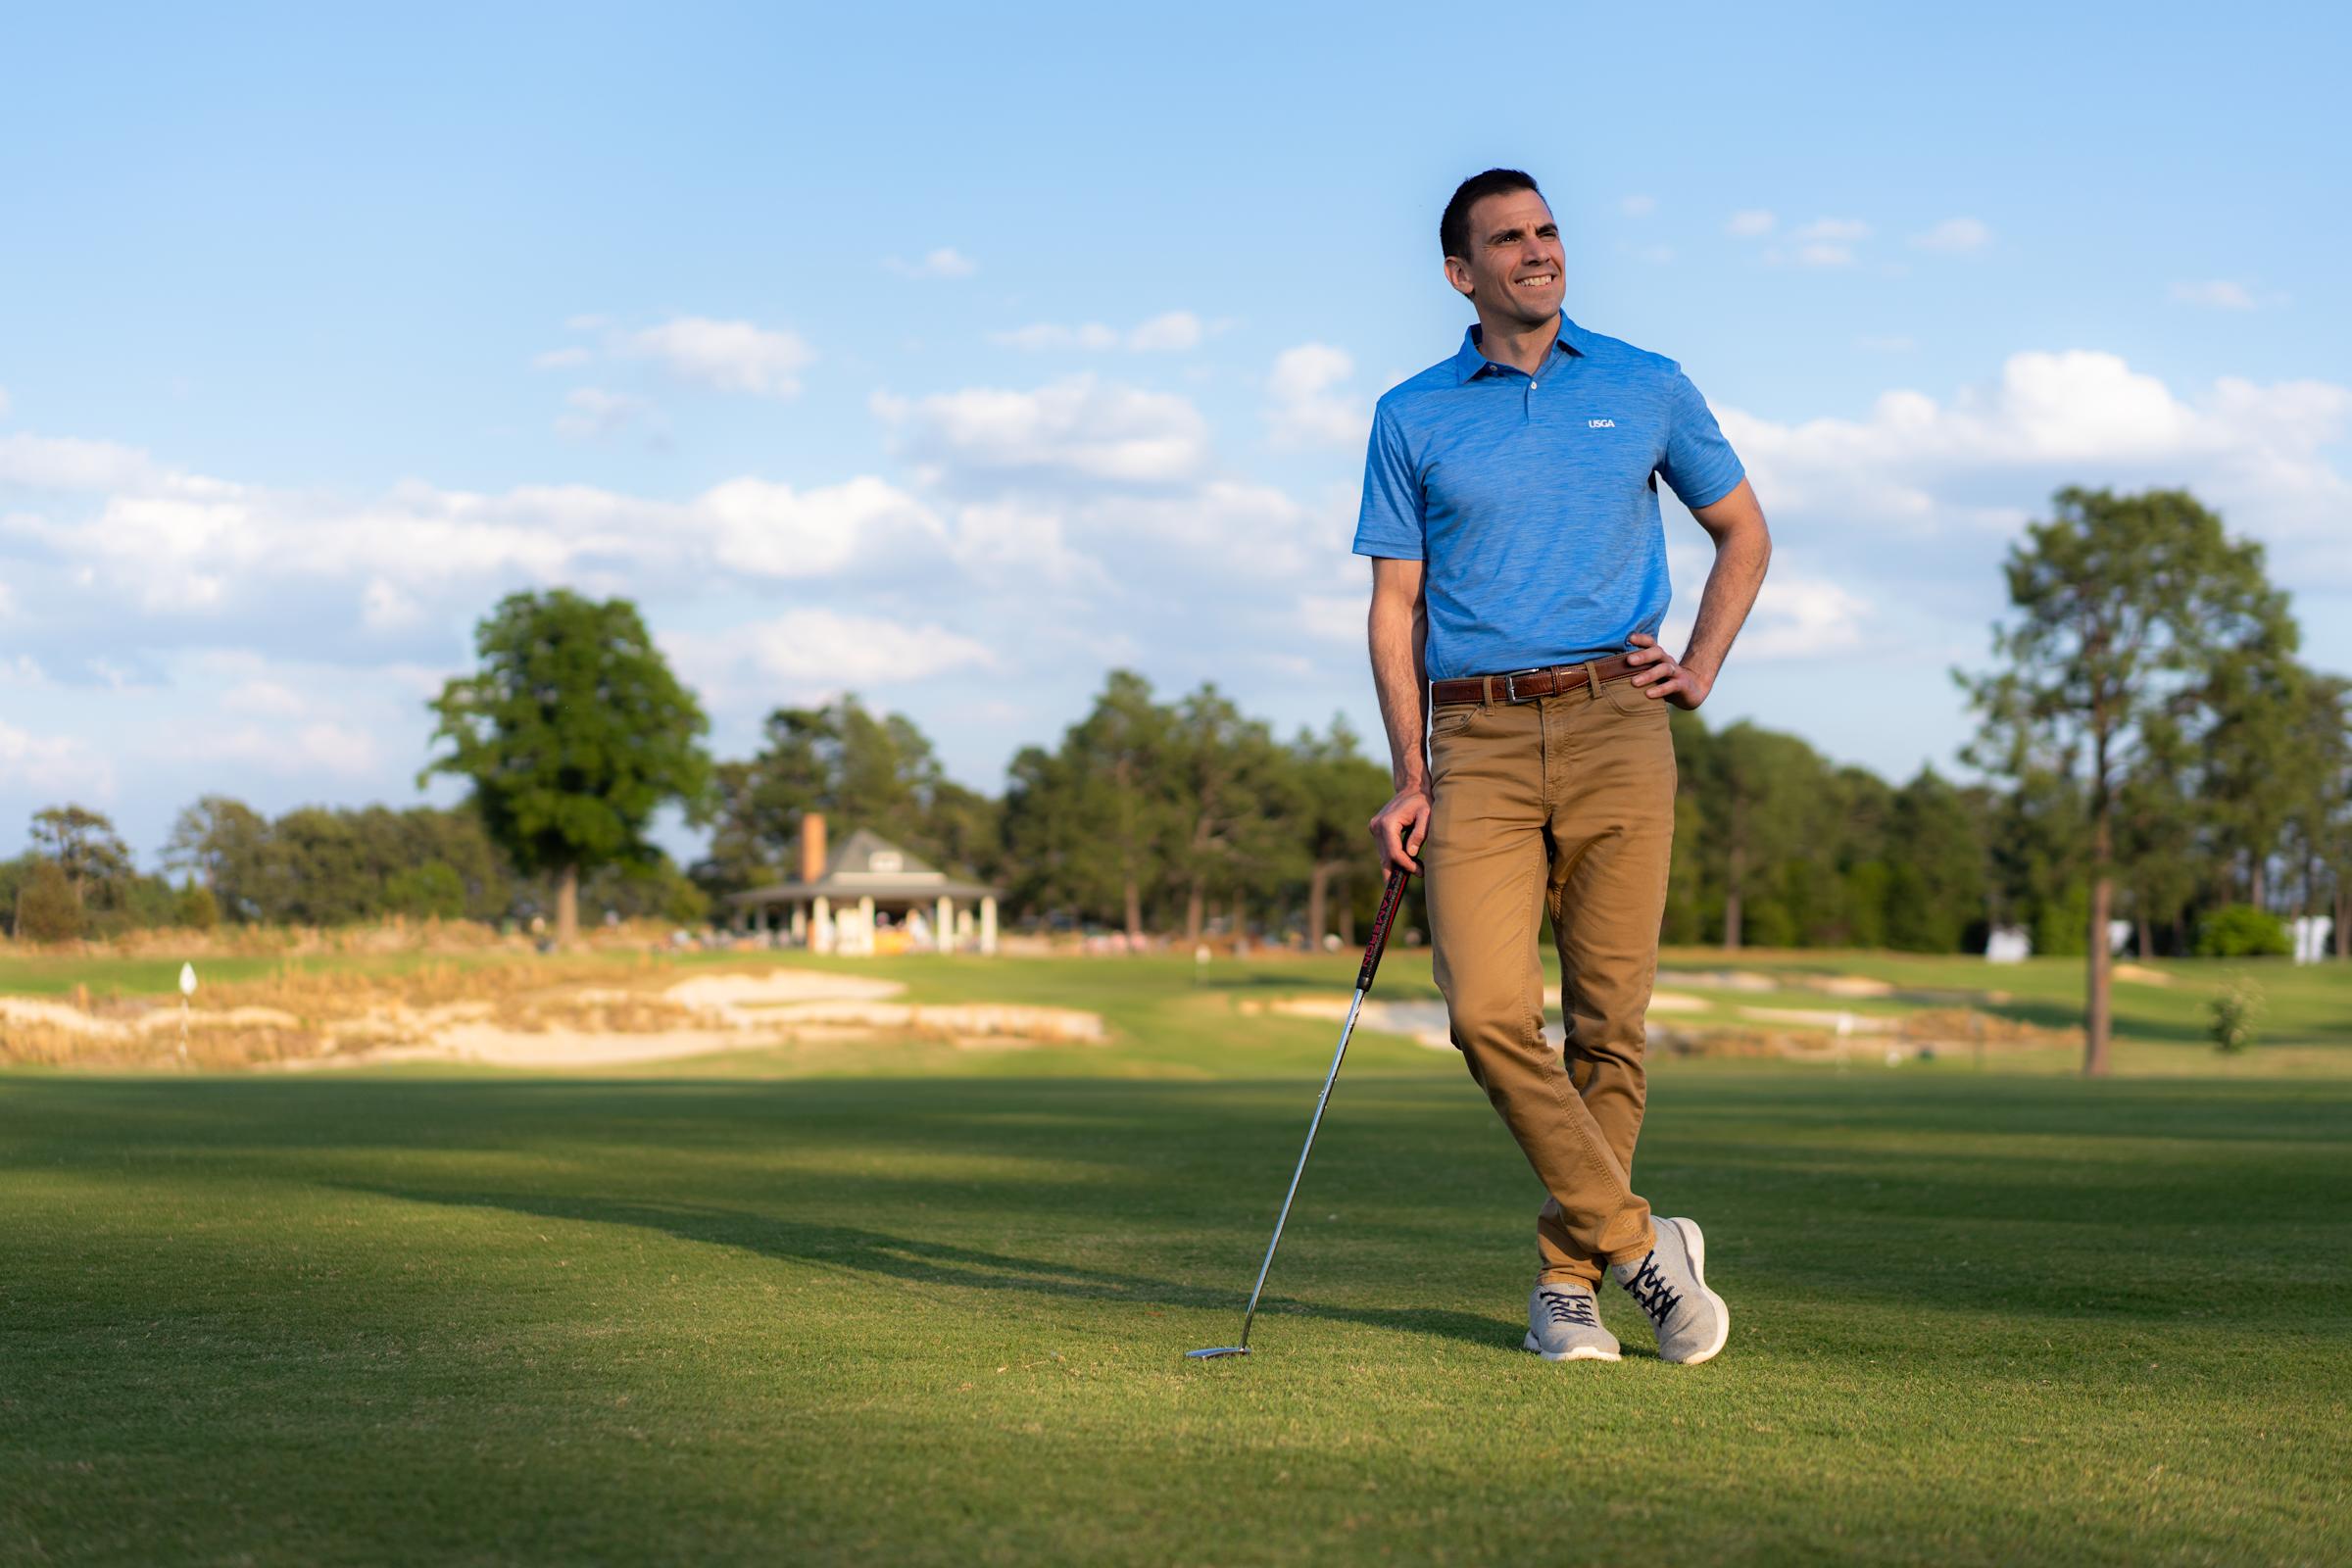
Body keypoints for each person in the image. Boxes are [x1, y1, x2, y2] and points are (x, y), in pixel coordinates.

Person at [1356, 169, 1771, 1365]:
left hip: (1616, 723)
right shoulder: (1412, 414)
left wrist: (1700, 663)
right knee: (1487, 1013)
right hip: (1474, 737)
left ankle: (1566, 1282)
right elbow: (1396, 608)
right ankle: (1644, 1244)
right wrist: (1407, 770)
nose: (1538, 252)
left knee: (1610, 1026)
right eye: (1508, 239)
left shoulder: (1647, 383)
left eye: (1547, 231)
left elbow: (1742, 530)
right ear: (1460, 273)